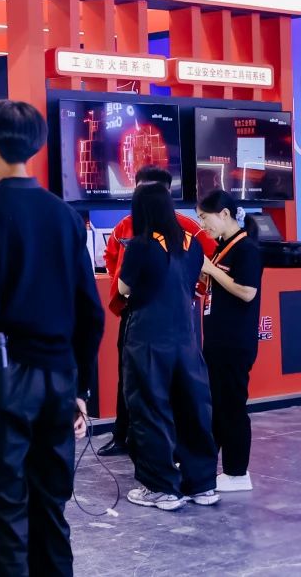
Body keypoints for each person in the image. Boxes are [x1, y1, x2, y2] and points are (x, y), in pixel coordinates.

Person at [0, 100, 103, 576]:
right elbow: (90, 311)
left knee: (0, 516)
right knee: (50, 511)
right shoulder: (65, 216)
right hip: (58, 382)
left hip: (0, 383)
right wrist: (79, 388)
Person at [99, 166, 215, 457]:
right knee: (131, 379)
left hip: (179, 314)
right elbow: (112, 261)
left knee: (176, 383)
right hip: (137, 313)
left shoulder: (188, 228)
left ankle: (167, 451)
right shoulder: (125, 227)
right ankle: (123, 436)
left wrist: (188, 290)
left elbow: (208, 259)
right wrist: (128, 290)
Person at [117, 182, 219, 510]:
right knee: (193, 408)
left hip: (148, 338)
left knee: (149, 409)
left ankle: (161, 487)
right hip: (186, 338)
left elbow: (123, 288)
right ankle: (201, 485)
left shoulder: (140, 245)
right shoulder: (192, 244)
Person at [196, 189, 264, 493]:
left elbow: (247, 292)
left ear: (224, 214)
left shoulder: (246, 249)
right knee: (218, 406)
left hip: (234, 342)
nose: (202, 225)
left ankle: (237, 472)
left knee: (232, 406)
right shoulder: (221, 248)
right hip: (217, 340)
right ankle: (209, 464)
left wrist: (210, 270)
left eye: (205, 218)